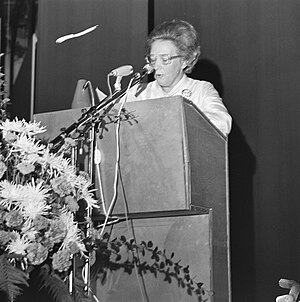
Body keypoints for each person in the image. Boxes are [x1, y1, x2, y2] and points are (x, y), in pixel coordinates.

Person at [126, 19, 232, 136]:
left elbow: (223, 123)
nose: (156, 66)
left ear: (185, 61)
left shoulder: (201, 89)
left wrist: (177, 120)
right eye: (153, 59)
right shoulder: (138, 93)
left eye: (165, 60)